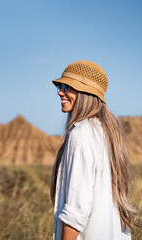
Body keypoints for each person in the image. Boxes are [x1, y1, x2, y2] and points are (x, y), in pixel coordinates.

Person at [50, 60, 138, 240]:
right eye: (60, 85)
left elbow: (76, 211)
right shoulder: (106, 133)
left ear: (85, 93)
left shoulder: (81, 133)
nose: (60, 91)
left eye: (67, 86)